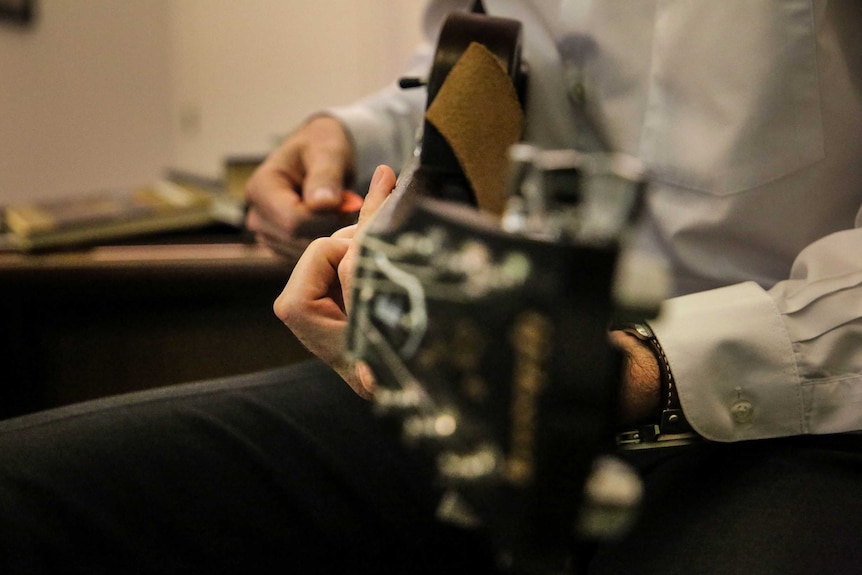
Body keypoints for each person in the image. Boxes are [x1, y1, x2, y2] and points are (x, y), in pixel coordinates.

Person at [1, 0, 861, 573]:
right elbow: (495, 59)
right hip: (491, 380)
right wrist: (346, 132)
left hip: (794, 417)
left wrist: (636, 367)